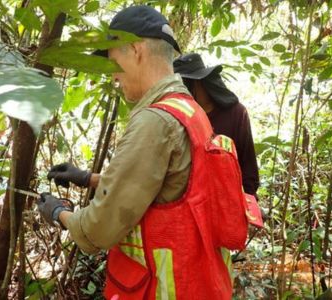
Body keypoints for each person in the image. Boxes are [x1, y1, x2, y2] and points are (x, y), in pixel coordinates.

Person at [37, 5, 248, 299]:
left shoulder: (155, 120)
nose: (113, 76)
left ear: (135, 50)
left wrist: (59, 213)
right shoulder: (190, 111)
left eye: (113, 62)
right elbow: (166, 189)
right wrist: (85, 178)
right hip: (201, 284)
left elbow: (97, 230)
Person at [173, 53, 259, 197]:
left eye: (187, 85)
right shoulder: (179, 117)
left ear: (200, 83)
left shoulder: (236, 113)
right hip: (193, 202)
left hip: (229, 198)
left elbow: (248, 165)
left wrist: (249, 200)